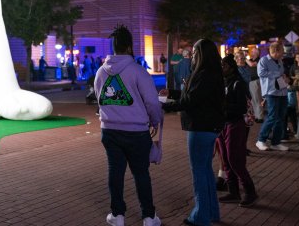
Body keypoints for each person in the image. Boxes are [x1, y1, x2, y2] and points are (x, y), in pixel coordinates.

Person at [95, 25, 163, 226]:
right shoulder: (137, 71)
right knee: (141, 174)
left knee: (115, 173)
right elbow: (152, 101)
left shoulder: (100, 72)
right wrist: (155, 120)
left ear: (113, 46)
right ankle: (149, 217)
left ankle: (118, 216)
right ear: (129, 47)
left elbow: (101, 100)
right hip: (136, 132)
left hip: (110, 131)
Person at [162, 39, 224, 226]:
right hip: (210, 127)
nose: (192, 56)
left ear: (202, 54)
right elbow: (193, 95)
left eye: (195, 53)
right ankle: (211, 212)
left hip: (200, 127)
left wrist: (166, 106)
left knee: (199, 172)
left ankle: (200, 216)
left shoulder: (203, 75)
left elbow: (191, 101)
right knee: (205, 171)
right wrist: (173, 93)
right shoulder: (213, 73)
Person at [215, 54, 257, 207]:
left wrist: (223, 106)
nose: (221, 68)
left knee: (234, 159)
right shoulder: (221, 82)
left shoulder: (238, 83)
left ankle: (250, 191)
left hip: (234, 124)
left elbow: (241, 108)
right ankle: (233, 191)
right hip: (222, 124)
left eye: (224, 66)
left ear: (231, 68)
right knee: (225, 159)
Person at [255, 42, 289, 152]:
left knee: (280, 117)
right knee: (272, 116)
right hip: (271, 92)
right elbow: (261, 73)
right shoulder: (264, 60)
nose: (283, 53)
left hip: (282, 92)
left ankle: (276, 142)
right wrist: (277, 74)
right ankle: (261, 140)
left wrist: (283, 76)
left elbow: (280, 73)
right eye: (282, 51)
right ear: (276, 51)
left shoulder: (279, 61)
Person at [246, 47, 264, 123]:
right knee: (253, 100)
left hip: (256, 81)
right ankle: (257, 116)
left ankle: (260, 117)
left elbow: (252, 65)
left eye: (253, 52)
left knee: (258, 99)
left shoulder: (259, 60)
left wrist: (245, 58)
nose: (251, 53)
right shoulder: (251, 60)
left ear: (257, 53)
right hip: (251, 81)